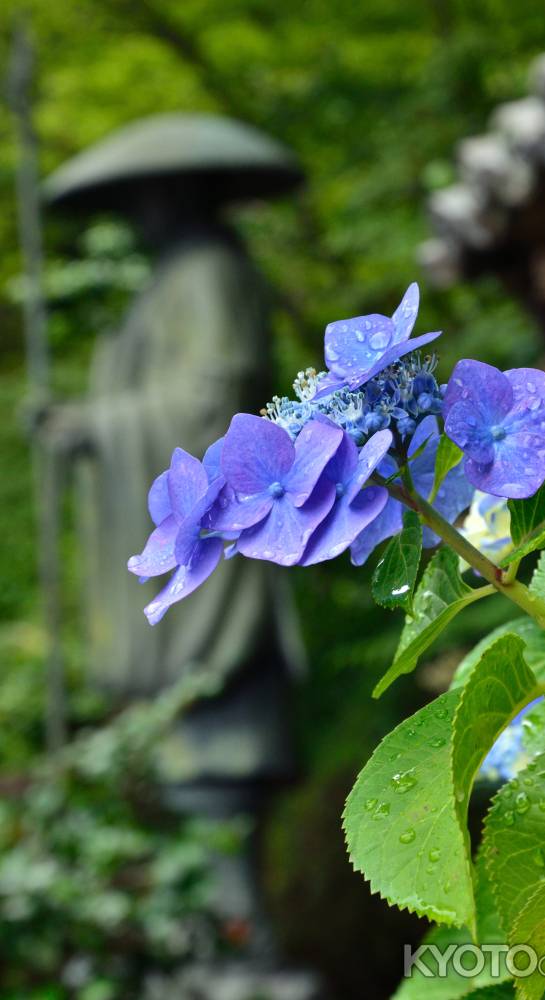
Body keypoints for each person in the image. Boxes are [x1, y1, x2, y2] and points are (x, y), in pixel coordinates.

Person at [42, 113, 320, 994]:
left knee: (215, 761)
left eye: (143, 199)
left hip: (220, 561)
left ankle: (238, 958)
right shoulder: (165, 282)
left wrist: (97, 425)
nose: (134, 217)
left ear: (177, 193)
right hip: (181, 564)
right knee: (184, 778)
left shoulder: (207, 272)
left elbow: (214, 400)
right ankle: (213, 953)